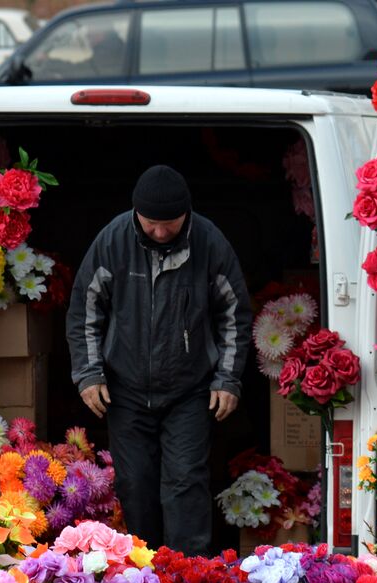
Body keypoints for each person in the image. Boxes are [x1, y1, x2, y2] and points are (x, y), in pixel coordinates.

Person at [66, 165, 252, 556]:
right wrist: (88, 374)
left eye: (170, 223)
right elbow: (85, 309)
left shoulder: (209, 243)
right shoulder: (113, 241)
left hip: (190, 391)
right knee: (134, 484)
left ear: (187, 213)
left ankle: (187, 582)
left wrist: (227, 379)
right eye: (152, 224)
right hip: (126, 390)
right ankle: (141, 578)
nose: (161, 232)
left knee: (186, 483)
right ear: (137, 214)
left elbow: (234, 314)